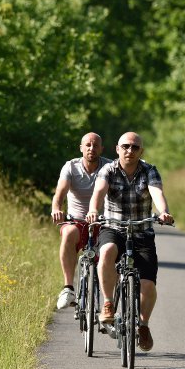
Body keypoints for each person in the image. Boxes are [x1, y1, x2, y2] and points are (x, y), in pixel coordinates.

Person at [86, 132, 173, 352]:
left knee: (148, 284)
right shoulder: (108, 170)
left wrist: (163, 212)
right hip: (113, 227)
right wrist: (94, 210)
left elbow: (156, 193)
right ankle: (107, 303)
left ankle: (143, 325)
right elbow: (99, 191)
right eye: (126, 146)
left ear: (141, 151)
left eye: (135, 148)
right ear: (117, 149)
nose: (130, 151)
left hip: (142, 232)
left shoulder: (149, 171)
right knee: (106, 252)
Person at [50, 132, 112, 310]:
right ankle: (68, 288)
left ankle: (110, 302)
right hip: (76, 221)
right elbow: (59, 194)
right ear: (81, 148)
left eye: (95, 145)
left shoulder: (109, 167)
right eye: (88, 145)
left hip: (104, 222)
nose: (91, 148)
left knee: (115, 251)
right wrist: (56, 209)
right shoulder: (71, 167)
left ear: (102, 149)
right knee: (68, 233)